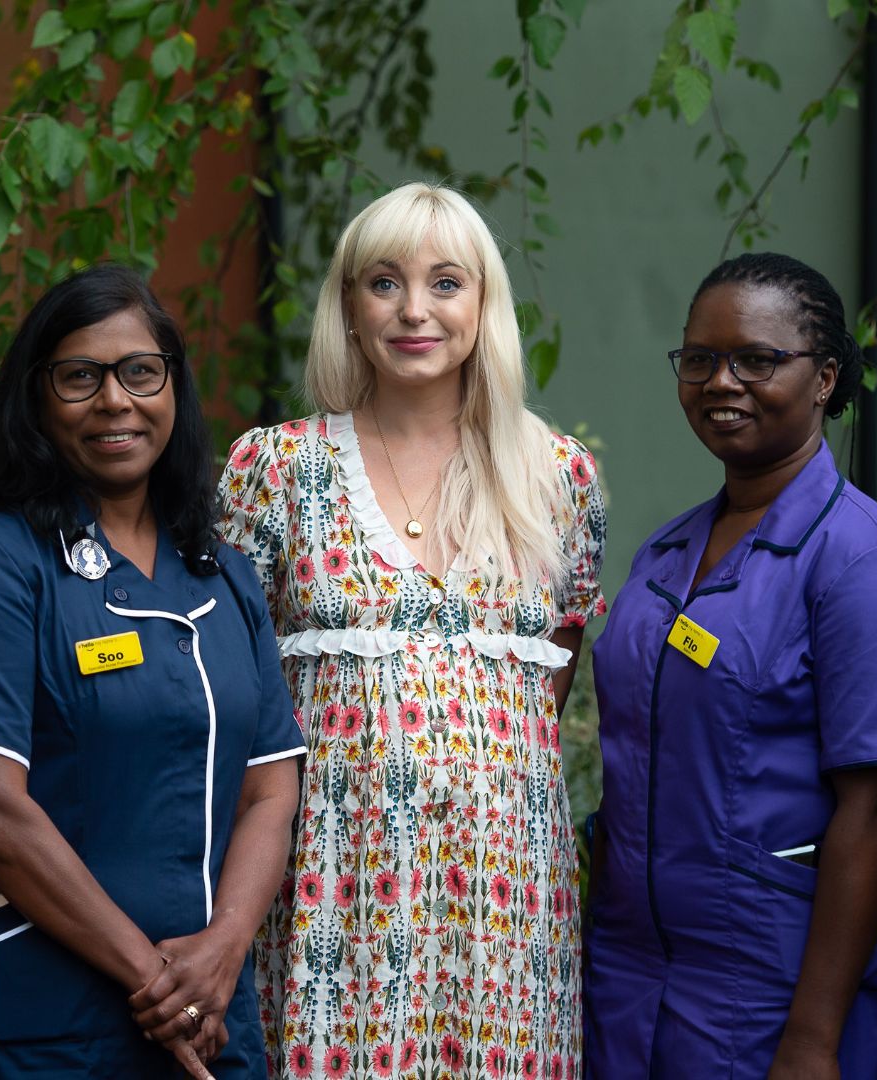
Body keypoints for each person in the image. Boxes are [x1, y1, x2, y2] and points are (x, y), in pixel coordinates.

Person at [217, 181, 607, 1078]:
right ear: (349, 307)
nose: (414, 310)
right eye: (385, 283)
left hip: (507, 890)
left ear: (483, 304)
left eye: (445, 283)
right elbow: (231, 686)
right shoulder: (274, 466)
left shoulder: (556, 476)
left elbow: (549, 677)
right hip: (331, 879)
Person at [0, 265, 305, 1077]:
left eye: (140, 372)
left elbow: (270, 787)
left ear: (172, 388)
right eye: (79, 377)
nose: (115, 401)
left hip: (211, 1018)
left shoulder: (223, 573)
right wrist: (154, 979)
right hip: (47, 1026)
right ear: (37, 399)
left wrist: (224, 951)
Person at [585, 252, 877, 1077]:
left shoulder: (865, 562)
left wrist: (812, 1042)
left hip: (775, 987)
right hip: (633, 980)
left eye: (758, 359)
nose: (721, 381)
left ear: (823, 379)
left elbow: (875, 814)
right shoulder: (668, 550)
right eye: (700, 359)